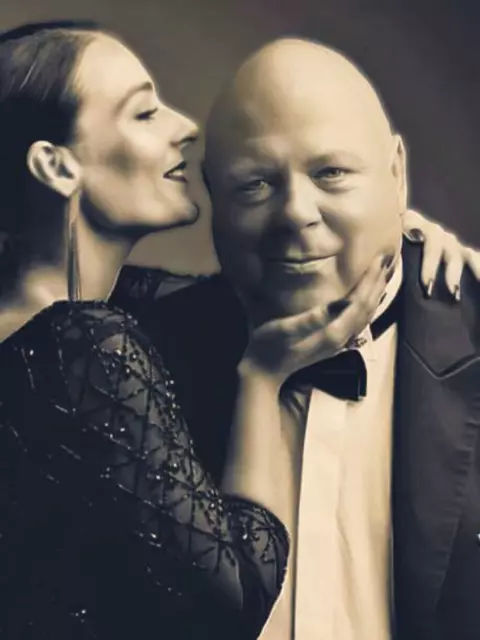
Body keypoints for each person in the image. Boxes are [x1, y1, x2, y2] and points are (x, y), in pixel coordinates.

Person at [114, 38, 480, 640]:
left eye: (331, 173)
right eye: (255, 184)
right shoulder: (133, 357)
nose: (295, 213)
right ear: (211, 193)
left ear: (396, 174)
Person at [0, 22, 355, 640]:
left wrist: (401, 237)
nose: (185, 127)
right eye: (143, 113)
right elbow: (235, 601)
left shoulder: (71, 318)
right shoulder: (85, 343)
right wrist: (261, 381)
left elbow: (228, 296)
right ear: (55, 166)